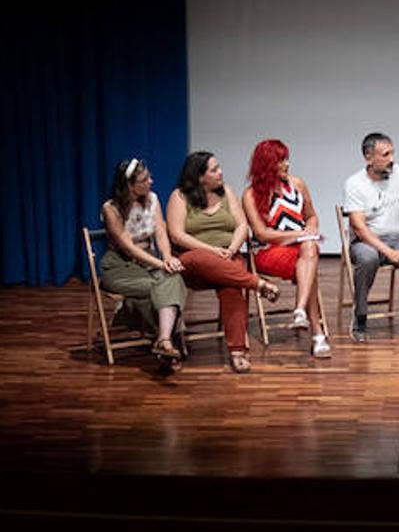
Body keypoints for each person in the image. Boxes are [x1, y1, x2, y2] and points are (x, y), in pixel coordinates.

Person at [166, 151, 280, 373]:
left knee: (232, 285)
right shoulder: (179, 197)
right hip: (194, 262)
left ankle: (238, 351)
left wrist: (230, 249)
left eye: (219, 167)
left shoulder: (226, 192)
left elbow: (241, 226)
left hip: (228, 259)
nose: (221, 172)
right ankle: (257, 283)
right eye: (214, 169)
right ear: (200, 176)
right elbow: (177, 235)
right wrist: (212, 251)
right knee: (199, 257)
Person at [242, 139, 331, 359]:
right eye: (281, 160)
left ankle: (300, 311)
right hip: (268, 252)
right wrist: (300, 234)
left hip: (301, 249)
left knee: (309, 252)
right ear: (267, 165)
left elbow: (311, 216)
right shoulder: (251, 195)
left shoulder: (297, 184)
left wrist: (309, 230)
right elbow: (262, 234)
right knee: (309, 265)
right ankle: (317, 333)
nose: (287, 164)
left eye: (287, 159)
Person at [99, 158, 188, 366]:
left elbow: (161, 234)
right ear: (130, 185)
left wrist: (166, 257)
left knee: (173, 279)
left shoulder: (153, 199)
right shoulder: (110, 208)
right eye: (144, 179)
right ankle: (168, 339)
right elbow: (128, 247)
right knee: (158, 287)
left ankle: (163, 341)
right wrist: (160, 265)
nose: (151, 181)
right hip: (120, 265)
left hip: (148, 260)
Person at [343, 132, 399, 343]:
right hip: (367, 241)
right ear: (368, 158)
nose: (391, 159)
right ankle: (360, 317)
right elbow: (360, 228)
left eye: (392, 153)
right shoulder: (354, 184)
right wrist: (389, 252)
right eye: (385, 154)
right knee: (368, 258)